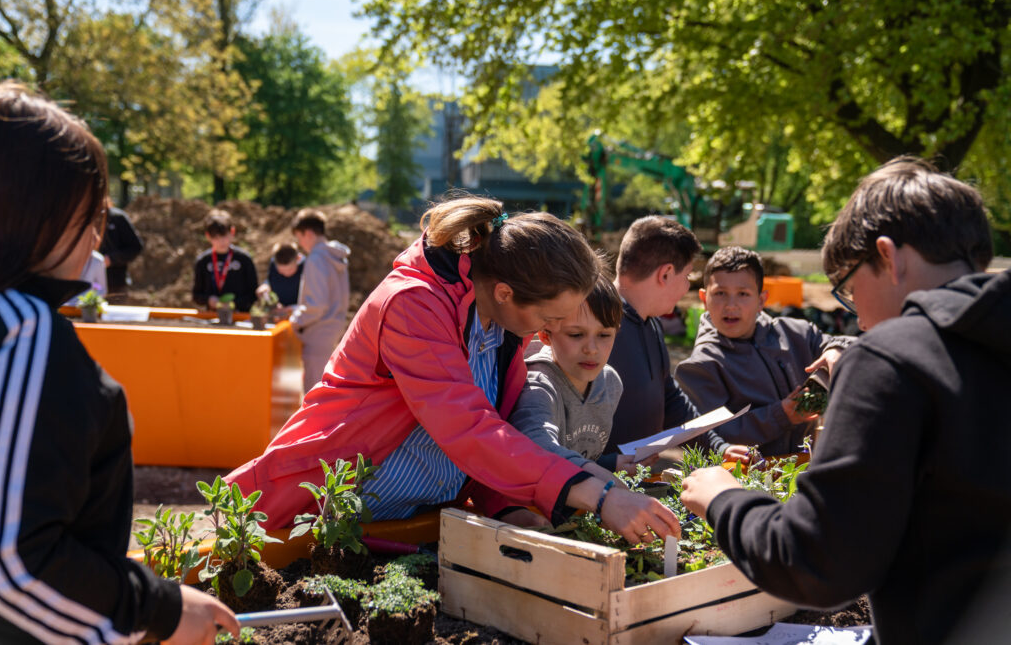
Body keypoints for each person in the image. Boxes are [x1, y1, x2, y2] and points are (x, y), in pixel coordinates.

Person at [680, 157, 1010, 644]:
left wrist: (722, 499)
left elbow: (817, 561)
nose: (861, 322)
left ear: (889, 257)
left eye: (852, 289)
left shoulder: (892, 358)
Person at [226, 197, 681, 546]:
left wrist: (504, 507)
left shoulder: (503, 326)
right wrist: (599, 496)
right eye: (550, 317)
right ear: (505, 293)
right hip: (325, 517)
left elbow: (497, 430)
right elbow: (467, 428)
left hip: (412, 525)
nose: (552, 330)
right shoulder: (413, 304)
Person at [0, 82, 238, 643]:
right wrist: (154, 610)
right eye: (91, 215)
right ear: (43, 214)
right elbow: (7, 563)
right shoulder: (24, 335)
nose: (97, 237)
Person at [674, 246, 854, 456]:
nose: (731, 305)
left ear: (761, 300)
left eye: (743, 294)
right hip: (749, 473)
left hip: (807, 464)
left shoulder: (798, 333)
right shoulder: (700, 366)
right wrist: (780, 415)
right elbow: (709, 437)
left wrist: (836, 349)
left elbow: (858, 345)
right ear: (704, 299)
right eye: (720, 293)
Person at [604, 216, 747, 459]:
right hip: (594, 481)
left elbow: (671, 400)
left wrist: (718, 447)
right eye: (687, 276)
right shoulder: (595, 326)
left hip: (633, 479)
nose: (686, 287)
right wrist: (606, 465)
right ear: (666, 274)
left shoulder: (651, 321)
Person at [508, 273, 659, 484]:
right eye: (576, 335)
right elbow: (538, 446)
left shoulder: (610, 383)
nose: (591, 349)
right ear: (545, 334)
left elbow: (580, 456)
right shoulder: (538, 386)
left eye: (604, 335)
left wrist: (612, 464)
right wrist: (605, 483)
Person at [289, 209, 351, 393]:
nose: (300, 244)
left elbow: (317, 305)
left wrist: (295, 320)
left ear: (308, 233)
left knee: (314, 395)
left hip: (317, 335)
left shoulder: (316, 259)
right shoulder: (335, 256)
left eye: (299, 238)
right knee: (325, 392)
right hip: (333, 330)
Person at [191, 209, 258, 313]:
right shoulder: (203, 261)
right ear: (208, 236)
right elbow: (196, 296)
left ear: (232, 232)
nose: (221, 241)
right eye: (216, 238)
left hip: (240, 316)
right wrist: (209, 300)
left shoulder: (244, 259)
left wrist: (234, 304)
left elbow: (253, 294)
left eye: (224, 236)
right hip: (213, 316)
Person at [98, 197, 143, 301]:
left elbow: (135, 247)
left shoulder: (117, 218)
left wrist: (111, 259)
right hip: (88, 284)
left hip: (115, 284)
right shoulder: (83, 219)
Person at [256, 241, 304, 308]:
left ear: (298, 259)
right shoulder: (273, 264)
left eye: (290, 269)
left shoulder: (306, 267)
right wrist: (265, 286)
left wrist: (290, 308)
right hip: (278, 309)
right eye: (281, 271)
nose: (286, 273)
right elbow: (270, 280)